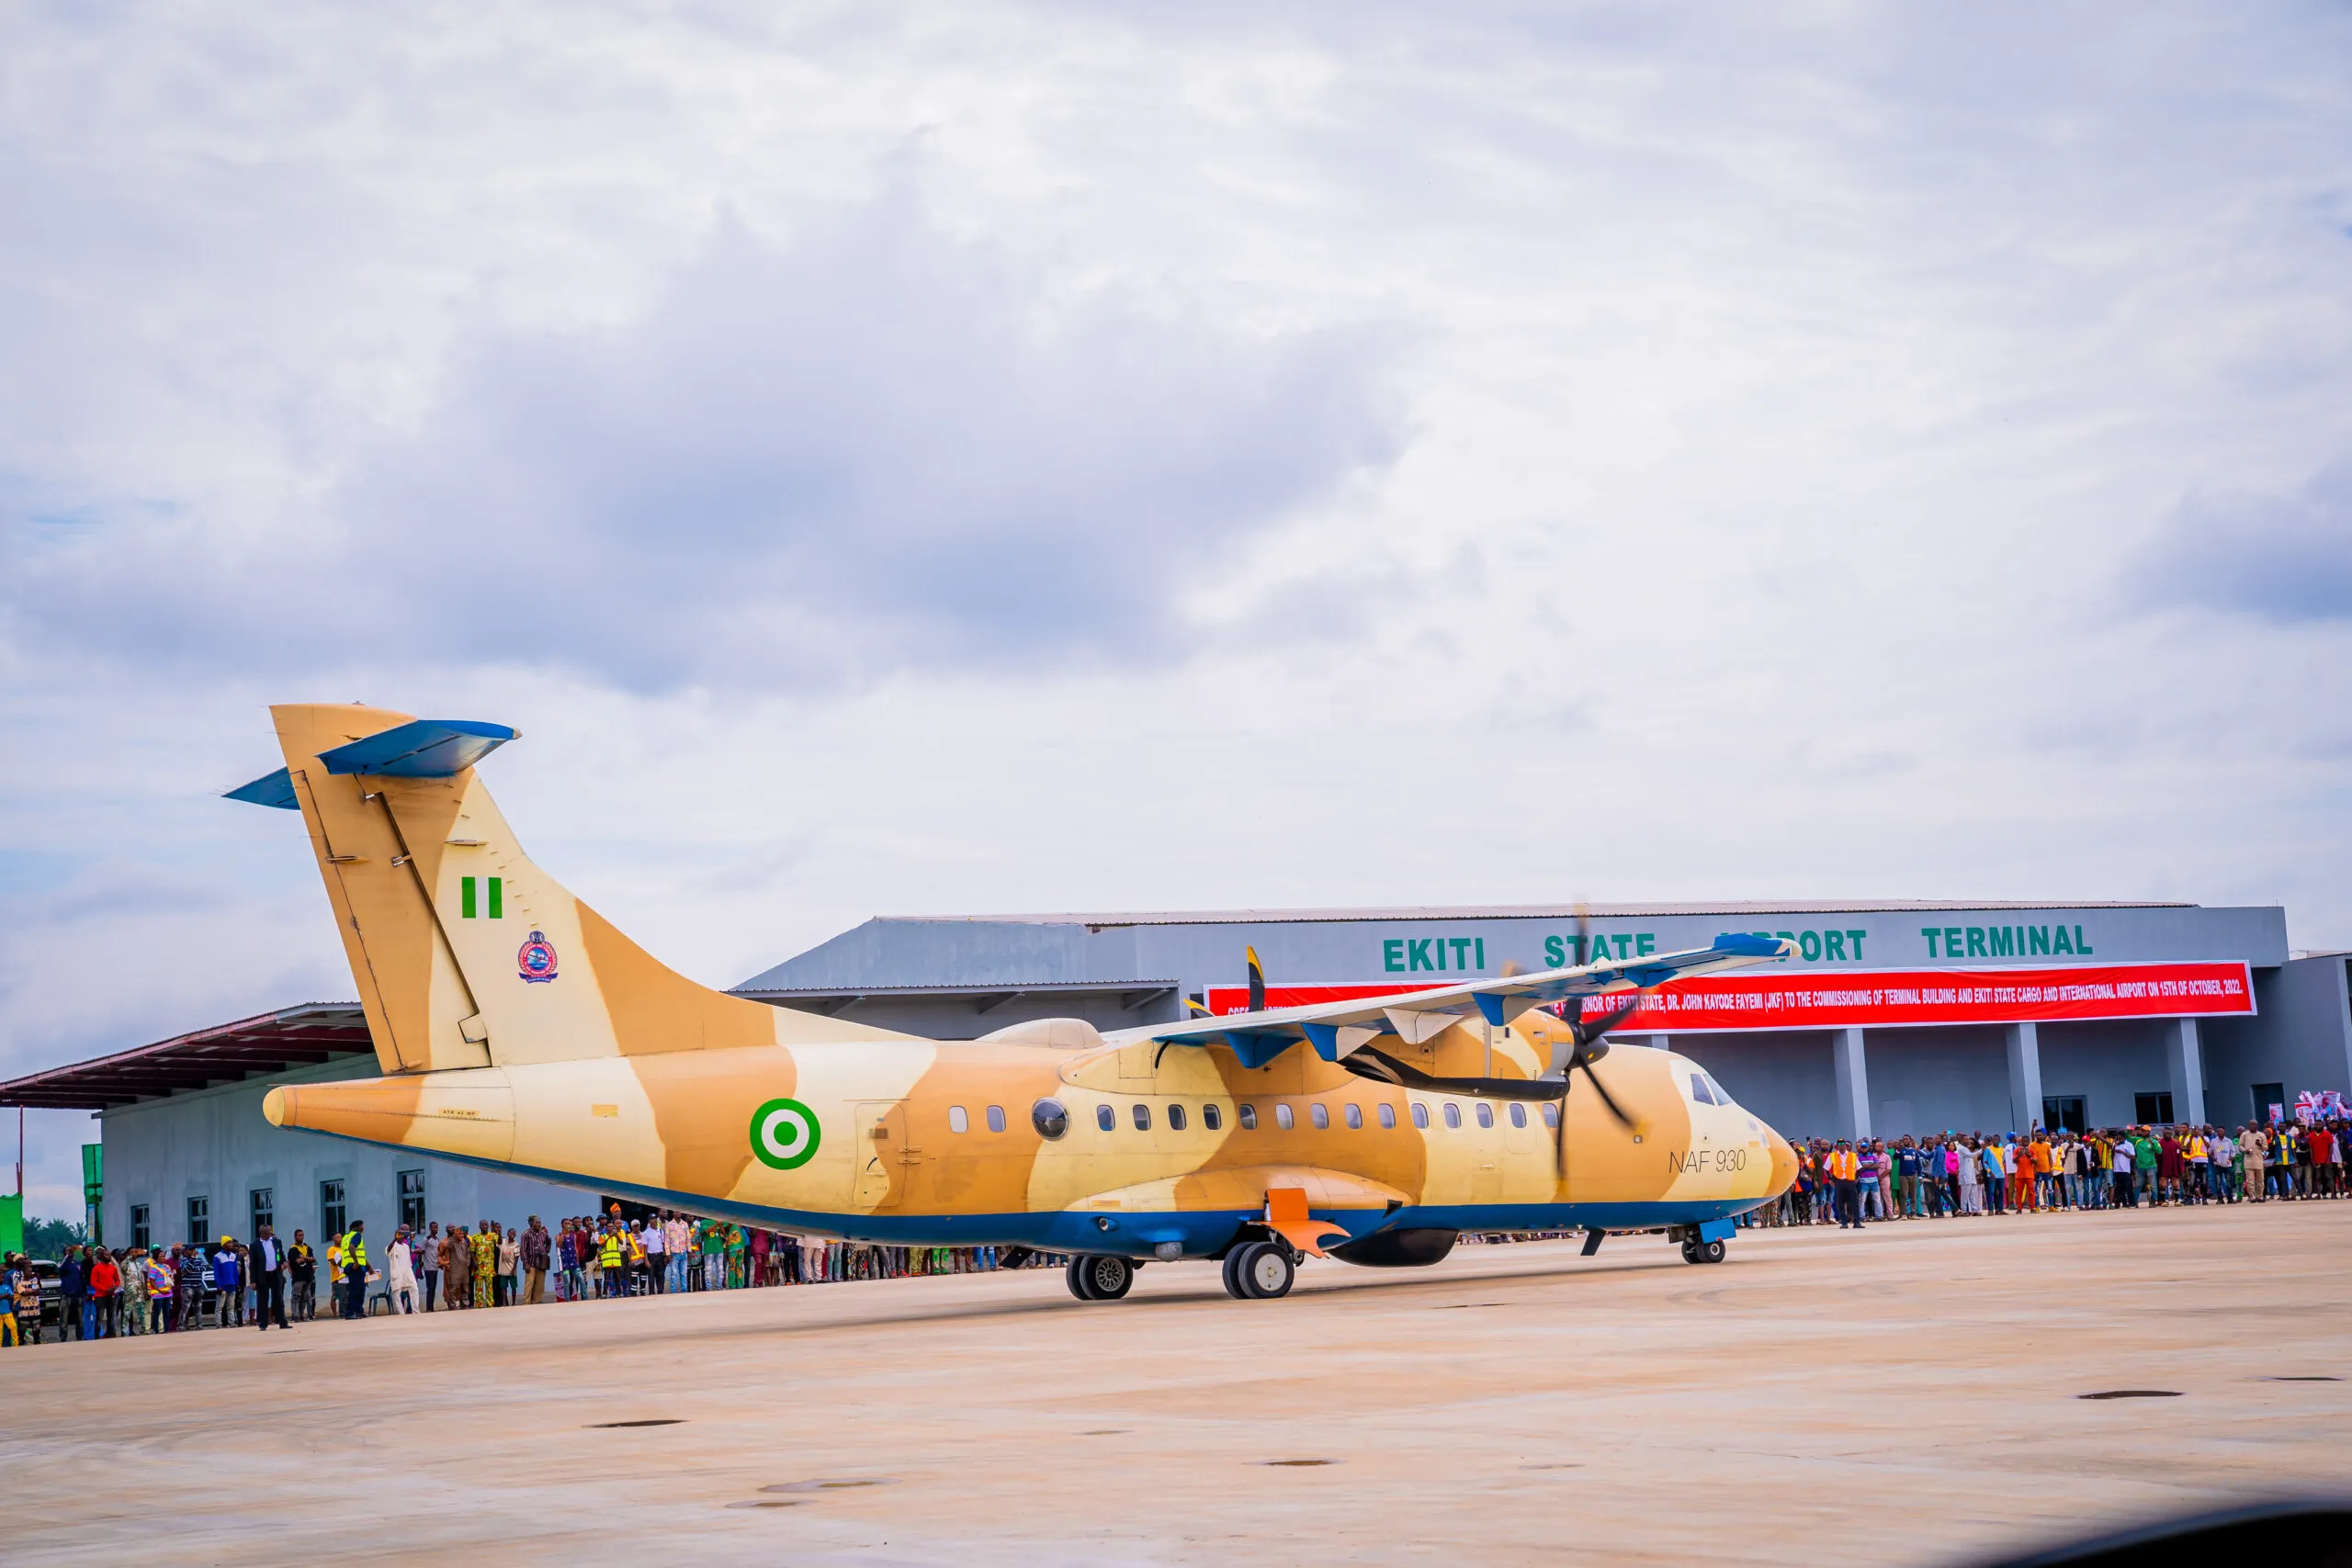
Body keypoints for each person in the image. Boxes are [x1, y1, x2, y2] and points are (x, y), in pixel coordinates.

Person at [252, 1225, 289, 1330]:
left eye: (270, 1231)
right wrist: (253, 1281)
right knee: (262, 1300)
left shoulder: (276, 1242)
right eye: (268, 1232)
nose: (270, 1233)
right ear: (262, 1233)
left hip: (275, 1273)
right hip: (263, 1276)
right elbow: (253, 1265)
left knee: (278, 1299)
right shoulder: (255, 1245)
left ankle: (282, 1322)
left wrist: (283, 1262)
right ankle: (263, 1324)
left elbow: (279, 1254)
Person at [341, 1221, 370, 1320]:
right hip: (355, 1267)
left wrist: (369, 1267)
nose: (363, 1227)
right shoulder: (357, 1235)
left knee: (360, 1289)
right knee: (355, 1290)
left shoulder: (345, 1237)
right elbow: (351, 1247)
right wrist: (356, 1262)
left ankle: (359, 1311)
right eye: (361, 1226)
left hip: (349, 1266)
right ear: (356, 1227)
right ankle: (349, 1313)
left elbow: (359, 1253)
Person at [441, 1223, 471, 1310]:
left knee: (465, 1287)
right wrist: (454, 1236)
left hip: (464, 1269)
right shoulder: (451, 1242)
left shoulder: (464, 1242)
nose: (461, 1235)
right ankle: (452, 1305)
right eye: (459, 1233)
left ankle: (465, 1304)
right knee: (453, 1288)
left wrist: (468, 1261)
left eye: (462, 1233)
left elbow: (468, 1253)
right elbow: (448, 1246)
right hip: (455, 1269)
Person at [288, 1230, 316, 1321]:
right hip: (298, 1276)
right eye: (299, 1235)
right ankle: (295, 1315)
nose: (302, 1237)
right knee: (296, 1296)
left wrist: (305, 1258)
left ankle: (301, 1315)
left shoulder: (307, 1248)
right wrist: (307, 1259)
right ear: (295, 1236)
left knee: (305, 1297)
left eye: (303, 1235)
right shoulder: (293, 1249)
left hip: (308, 1276)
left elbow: (313, 1259)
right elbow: (297, 1261)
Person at [522, 1217, 550, 1305]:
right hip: (530, 1262)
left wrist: (546, 1252)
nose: (539, 1224)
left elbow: (549, 1242)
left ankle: (536, 1301)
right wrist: (525, 1263)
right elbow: (523, 1249)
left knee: (540, 1284)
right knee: (529, 1283)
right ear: (532, 1223)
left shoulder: (543, 1233)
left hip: (542, 1263)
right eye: (537, 1222)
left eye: (540, 1222)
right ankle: (527, 1302)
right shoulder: (526, 1234)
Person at [469, 1220, 498, 1309]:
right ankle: (479, 1305)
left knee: (489, 1287)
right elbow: (472, 1251)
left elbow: (500, 1242)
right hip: (479, 1267)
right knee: (479, 1288)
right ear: (479, 1226)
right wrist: (474, 1262)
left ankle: (490, 1304)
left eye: (486, 1225)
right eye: (483, 1225)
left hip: (489, 1267)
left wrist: (495, 1231)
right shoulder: (475, 1237)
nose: (485, 1226)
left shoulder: (492, 1235)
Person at [418, 1222, 442, 1312]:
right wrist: (421, 1263)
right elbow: (421, 1252)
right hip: (428, 1267)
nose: (435, 1229)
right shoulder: (426, 1240)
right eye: (434, 1228)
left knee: (434, 1288)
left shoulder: (437, 1240)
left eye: (437, 1227)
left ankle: (431, 1307)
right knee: (430, 1288)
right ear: (430, 1228)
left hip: (435, 1267)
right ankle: (428, 1308)